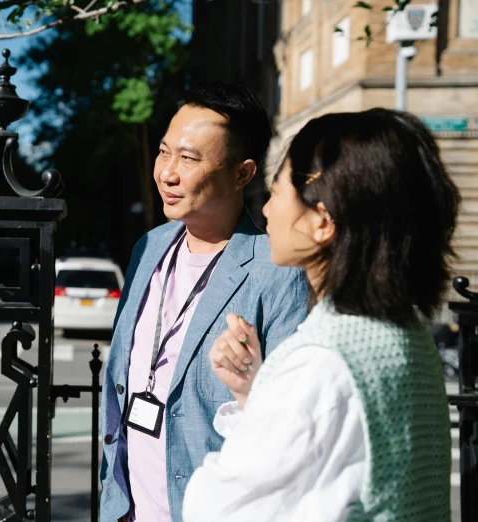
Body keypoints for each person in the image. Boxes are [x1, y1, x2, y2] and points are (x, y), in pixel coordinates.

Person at [183, 108, 458, 521]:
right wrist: (255, 392)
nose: (267, 211)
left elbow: (216, 508)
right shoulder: (405, 333)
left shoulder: (322, 362)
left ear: (323, 221)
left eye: (276, 192)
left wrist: (267, 394)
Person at [99, 82, 309, 522]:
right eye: (163, 152)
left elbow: (292, 428)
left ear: (243, 174)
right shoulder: (149, 248)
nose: (167, 173)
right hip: (128, 508)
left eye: (189, 158)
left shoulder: (276, 272)